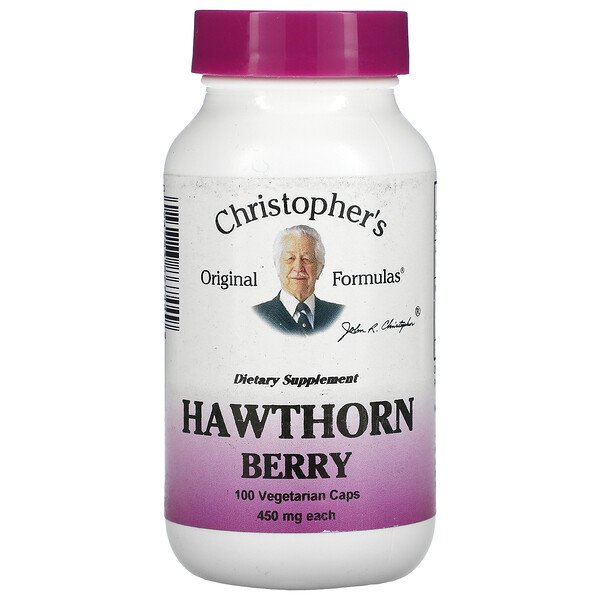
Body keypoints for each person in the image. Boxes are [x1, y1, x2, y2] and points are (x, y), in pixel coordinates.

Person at [254, 225, 344, 334]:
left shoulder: (339, 314)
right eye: (290, 258)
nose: (298, 267)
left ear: (319, 268)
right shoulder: (257, 316)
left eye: (306, 259)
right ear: (277, 266)